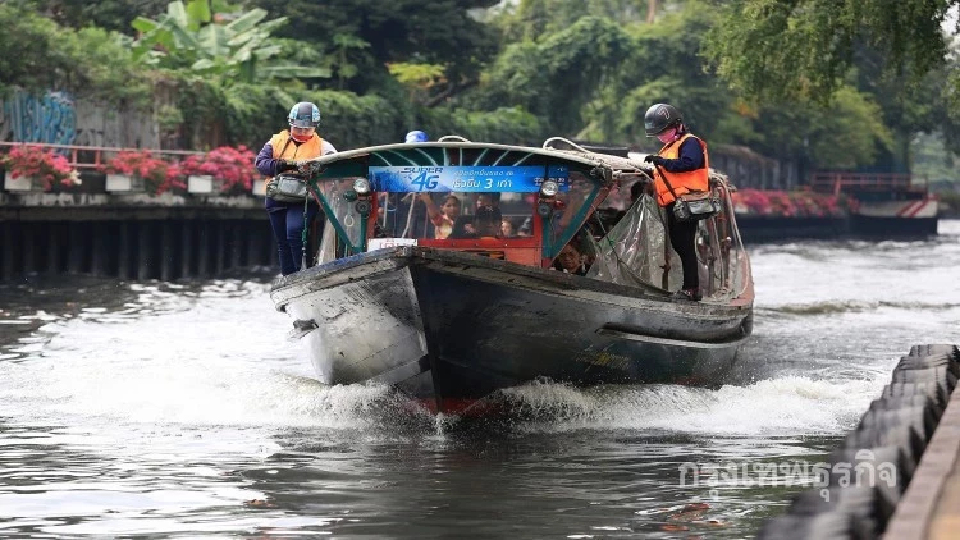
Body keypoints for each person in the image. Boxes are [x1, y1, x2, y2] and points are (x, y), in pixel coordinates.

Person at [255, 101, 337, 276]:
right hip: (276, 197)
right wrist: (284, 165)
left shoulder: (324, 147)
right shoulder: (276, 141)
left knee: (294, 232)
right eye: (298, 128)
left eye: (307, 130)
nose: (302, 133)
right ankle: (289, 276)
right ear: (290, 124)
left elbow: (335, 168)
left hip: (304, 199)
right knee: (282, 241)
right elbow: (261, 164)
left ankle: (303, 272)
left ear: (315, 128)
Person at [641, 103, 709, 301]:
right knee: (680, 244)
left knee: (685, 245)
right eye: (659, 133)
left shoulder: (690, 143)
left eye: (665, 131)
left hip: (688, 203)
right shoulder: (669, 147)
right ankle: (690, 287)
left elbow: (690, 163)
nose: (661, 136)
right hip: (675, 203)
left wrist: (662, 162)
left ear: (677, 126)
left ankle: (691, 289)